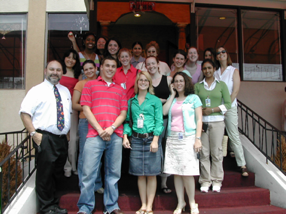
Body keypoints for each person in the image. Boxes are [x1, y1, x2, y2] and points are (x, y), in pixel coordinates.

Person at [77, 56, 127, 215]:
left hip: (115, 135)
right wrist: (100, 130)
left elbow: (123, 113)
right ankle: (85, 207)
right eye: (108, 66)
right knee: (88, 173)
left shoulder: (120, 89)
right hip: (94, 135)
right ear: (101, 67)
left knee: (113, 174)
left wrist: (111, 128)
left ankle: (112, 207)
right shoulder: (90, 85)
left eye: (113, 66)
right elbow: (86, 109)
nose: (111, 69)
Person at [20, 60, 72, 214]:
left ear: (62, 72)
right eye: (52, 69)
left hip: (61, 138)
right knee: (45, 174)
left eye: (58, 70)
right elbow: (25, 113)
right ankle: (46, 208)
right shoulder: (36, 91)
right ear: (45, 71)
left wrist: (67, 135)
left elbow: (67, 114)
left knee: (57, 172)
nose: (55, 72)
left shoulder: (65, 91)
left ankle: (53, 204)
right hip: (45, 137)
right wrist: (34, 134)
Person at [123, 71, 164, 215]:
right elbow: (128, 121)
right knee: (140, 174)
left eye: (146, 80)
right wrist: (125, 137)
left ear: (149, 83)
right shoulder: (131, 101)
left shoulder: (155, 100)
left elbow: (159, 122)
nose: (143, 82)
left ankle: (150, 207)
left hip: (151, 139)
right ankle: (143, 205)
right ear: (137, 82)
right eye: (140, 80)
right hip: (136, 140)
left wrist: (155, 140)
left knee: (152, 174)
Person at [162, 72, 203, 214]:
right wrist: (172, 94)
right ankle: (180, 202)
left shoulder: (194, 98)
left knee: (187, 172)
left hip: (188, 138)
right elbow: (164, 111)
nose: (178, 83)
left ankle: (192, 203)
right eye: (176, 81)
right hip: (172, 138)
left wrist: (198, 139)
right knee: (176, 172)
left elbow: (199, 120)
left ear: (186, 82)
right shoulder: (172, 98)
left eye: (181, 81)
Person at [195, 59, 232, 193]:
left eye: (209, 68)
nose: (207, 71)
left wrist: (213, 109)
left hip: (217, 121)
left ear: (214, 69)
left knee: (216, 152)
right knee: (204, 152)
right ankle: (205, 180)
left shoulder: (221, 85)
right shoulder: (198, 86)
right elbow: (194, 103)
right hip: (203, 122)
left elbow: (228, 104)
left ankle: (217, 180)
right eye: (204, 68)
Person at [215, 46, 249, 177]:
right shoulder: (216, 72)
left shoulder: (233, 71)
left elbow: (235, 91)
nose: (221, 54)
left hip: (230, 107)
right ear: (216, 57)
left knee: (233, 134)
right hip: (218, 108)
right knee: (217, 136)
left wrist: (226, 106)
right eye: (218, 53)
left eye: (223, 51)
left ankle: (242, 164)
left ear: (227, 54)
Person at [72, 60, 104, 194]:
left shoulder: (101, 82)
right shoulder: (80, 84)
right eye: (86, 69)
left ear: (96, 69)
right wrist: (89, 109)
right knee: (85, 154)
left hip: (101, 123)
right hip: (85, 122)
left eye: (91, 68)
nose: (89, 71)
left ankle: (97, 184)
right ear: (83, 72)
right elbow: (74, 104)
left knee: (98, 155)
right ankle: (83, 185)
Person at [145, 56, 173, 194]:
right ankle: (152, 181)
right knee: (154, 150)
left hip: (166, 120)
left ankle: (164, 182)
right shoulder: (145, 81)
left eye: (153, 63)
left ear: (158, 64)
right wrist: (157, 100)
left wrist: (163, 101)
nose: (150, 66)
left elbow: (174, 98)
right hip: (150, 121)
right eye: (148, 64)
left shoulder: (168, 80)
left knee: (165, 149)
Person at [60, 49, 81, 178]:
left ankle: (73, 166)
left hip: (72, 110)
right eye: (68, 57)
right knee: (63, 138)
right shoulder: (59, 72)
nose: (70, 60)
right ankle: (66, 166)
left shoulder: (77, 74)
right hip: (59, 110)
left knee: (73, 139)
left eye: (73, 58)